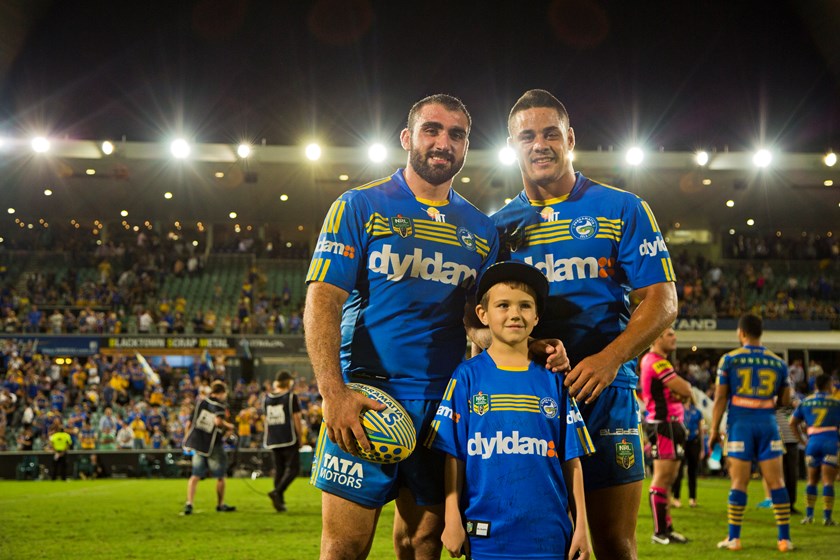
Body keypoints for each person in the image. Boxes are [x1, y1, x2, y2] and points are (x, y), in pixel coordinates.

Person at [303, 93, 499, 559]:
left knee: (423, 543)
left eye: (457, 134)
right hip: (367, 398)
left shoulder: (482, 230)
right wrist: (334, 393)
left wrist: (521, 348)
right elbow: (322, 300)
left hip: (443, 406)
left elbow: (477, 323)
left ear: (467, 146)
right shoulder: (359, 205)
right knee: (344, 548)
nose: (443, 142)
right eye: (432, 129)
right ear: (408, 137)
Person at [488, 88, 678, 560]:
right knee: (536, 539)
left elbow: (662, 299)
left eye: (551, 133)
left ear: (570, 138)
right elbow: (476, 321)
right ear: (511, 146)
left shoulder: (622, 208)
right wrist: (527, 348)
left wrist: (610, 359)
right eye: (526, 135)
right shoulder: (496, 228)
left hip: (604, 395)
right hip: (526, 397)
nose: (540, 144)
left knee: (614, 542)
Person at [428, 261, 592, 559]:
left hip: (550, 534)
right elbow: (455, 455)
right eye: (503, 305)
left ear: (537, 316)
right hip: (485, 533)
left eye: (525, 306)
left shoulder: (554, 379)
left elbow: (573, 459)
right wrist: (452, 516)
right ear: (483, 314)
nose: (515, 314)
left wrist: (581, 525)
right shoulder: (466, 377)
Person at [710, 314, 794, 552]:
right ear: (761, 332)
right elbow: (785, 402)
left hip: (740, 425)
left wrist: (714, 430)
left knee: (739, 481)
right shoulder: (778, 362)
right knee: (777, 482)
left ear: (741, 332)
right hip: (769, 423)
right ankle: (784, 540)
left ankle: (734, 539)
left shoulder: (729, 360)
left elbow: (720, 398)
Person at [639, 327, 692, 544]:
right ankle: (660, 532)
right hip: (664, 425)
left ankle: (667, 528)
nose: (674, 337)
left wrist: (680, 392)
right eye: (669, 334)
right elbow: (686, 389)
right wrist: (681, 391)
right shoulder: (655, 361)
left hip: (671, 424)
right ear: (658, 336)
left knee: (669, 479)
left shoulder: (659, 362)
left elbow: (682, 393)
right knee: (662, 478)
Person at [790, 373, 840, 526]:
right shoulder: (836, 403)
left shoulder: (806, 402)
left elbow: (792, 422)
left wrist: (802, 441)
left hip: (812, 443)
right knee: (828, 482)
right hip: (831, 442)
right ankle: (827, 517)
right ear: (828, 385)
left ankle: (809, 516)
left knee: (811, 480)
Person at [183, 380, 236, 514]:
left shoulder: (200, 403)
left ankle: (189, 503)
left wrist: (187, 439)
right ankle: (220, 504)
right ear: (222, 393)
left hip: (198, 444)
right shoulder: (219, 406)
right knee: (220, 475)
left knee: (195, 475)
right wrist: (229, 426)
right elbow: (218, 422)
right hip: (213, 445)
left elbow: (189, 423)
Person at [264, 370, 304, 513]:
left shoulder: (267, 398)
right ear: (288, 382)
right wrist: (300, 437)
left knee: (279, 470)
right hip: (288, 437)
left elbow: (266, 419)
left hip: (274, 438)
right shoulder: (290, 397)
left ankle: (279, 501)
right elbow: (297, 419)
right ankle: (277, 492)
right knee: (294, 469)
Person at [672, 398, 705, 508]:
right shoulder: (676, 408)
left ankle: (693, 499)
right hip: (681, 442)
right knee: (678, 472)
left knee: (693, 472)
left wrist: (702, 449)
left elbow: (701, 432)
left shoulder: (697, 411)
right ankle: (676, 498)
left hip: (694, 443)